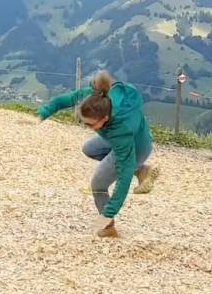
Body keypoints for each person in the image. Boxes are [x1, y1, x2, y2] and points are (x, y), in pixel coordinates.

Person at [37, 71, 159, 237]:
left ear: (105, 119)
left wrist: (108, 213)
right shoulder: (96, 98)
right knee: (90, 148)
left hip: (135, 147)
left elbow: (123, 179)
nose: (86, 126)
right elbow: (66, 99)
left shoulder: (120, 132)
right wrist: (42, 113)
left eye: (90, 124)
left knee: (98, 185)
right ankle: (141, 170)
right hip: (136, 135)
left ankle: (108, 227)